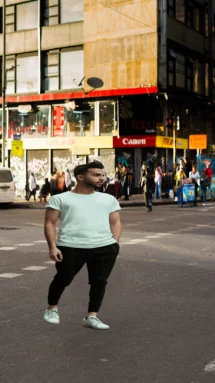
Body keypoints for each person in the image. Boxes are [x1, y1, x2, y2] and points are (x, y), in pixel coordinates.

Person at [44, 161, 121, 329]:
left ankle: (92, 316)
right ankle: (52, 308)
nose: (101, 178)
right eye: (96, 175)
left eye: (102, 175)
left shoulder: (108, 198)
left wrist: (114, 244)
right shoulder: (60, 198)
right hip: (70, 246)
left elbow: (115, 222)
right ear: (80, 177)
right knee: (63, 278)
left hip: (104, 247)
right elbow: (50, 222)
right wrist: (52, 246)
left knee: (99, 282)